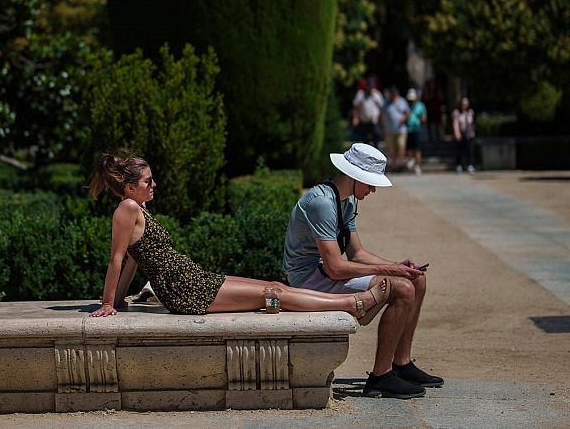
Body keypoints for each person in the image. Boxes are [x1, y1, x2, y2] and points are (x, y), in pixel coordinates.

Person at [87, 152, 390, 322]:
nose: (155, 184)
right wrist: (107, 303)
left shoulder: (136, 207)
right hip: (183, 290)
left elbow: (131, 259)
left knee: (275, 287)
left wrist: (121, 300)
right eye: (148, 180)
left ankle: (349, 302)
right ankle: (352, 304)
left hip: (189, 278)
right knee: (272, 296)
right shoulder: (127, 209)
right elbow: (116, 260)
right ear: (129, 187)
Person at [283, 143, 443, 399]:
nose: (373, 189)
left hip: (324, 273)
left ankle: (401, 364)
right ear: (354, 176)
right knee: (402, 288)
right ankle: (381, 376)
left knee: (417, 281)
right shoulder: (322, 202)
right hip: (308, 280)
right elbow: (336, 268)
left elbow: (357, 253)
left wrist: (398, 268)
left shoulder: (345, 202)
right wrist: (391, 271)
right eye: (369, 183)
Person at [379, 86, 410, 172]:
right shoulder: (386, 103)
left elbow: (407, 113)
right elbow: (381, 115)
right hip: (389, 130)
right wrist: (380, 127)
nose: (392, 95)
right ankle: (393, 165)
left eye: (394, 94)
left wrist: (404, 118)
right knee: (391, 149)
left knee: (401, 147)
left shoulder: (402, 101)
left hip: (401, 130)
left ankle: (400, 164)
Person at [351, 77, 384, 147]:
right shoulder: (360, 94)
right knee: (364, 141)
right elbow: (356, 107)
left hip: (374, 122)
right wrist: (355, 118)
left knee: (376, 140)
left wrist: (381, 122)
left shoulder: (377, 95)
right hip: (364, 121)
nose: (370, 89)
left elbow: (381, 109)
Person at [404, 88, 427, 176]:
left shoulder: (420, 105)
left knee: (417, 149)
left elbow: (424, 117)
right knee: (409, 149)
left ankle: (417, 165)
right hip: (408, 129)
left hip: (417, 129)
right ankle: (411, 163)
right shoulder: (406, 106)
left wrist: (421, 118)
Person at [452, 97, 476, 174]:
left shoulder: (470, 112)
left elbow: (472, 123)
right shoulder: (457, 112)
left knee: (470, 150)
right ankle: (458, 165)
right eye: (463, 104)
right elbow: (455, 123)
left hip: (469, 133)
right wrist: (457, 133)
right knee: (460, 150)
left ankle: (470, 165)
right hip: (461, 133)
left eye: (466, 104)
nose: (465, 106)